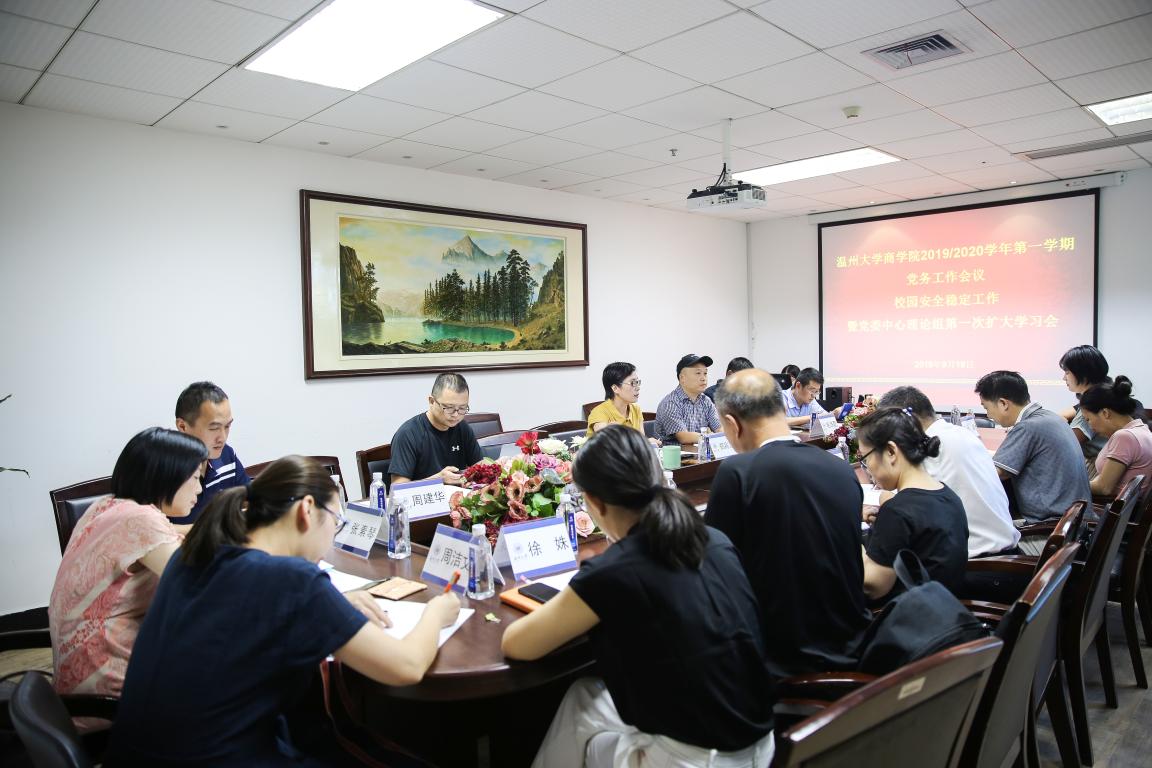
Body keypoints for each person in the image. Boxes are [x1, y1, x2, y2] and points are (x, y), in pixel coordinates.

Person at [105, 455, 461, 767]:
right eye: (336, 521)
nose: (333, 534)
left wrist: (331, 607)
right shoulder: (291, 579)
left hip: (133, 755)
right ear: (307, 510)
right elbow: (406, 666)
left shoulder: (194, 557)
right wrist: (436, 612)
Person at [502, 425, 776, 768]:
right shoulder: (714, 539)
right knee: (582, 695)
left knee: (582, 730)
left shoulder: (615, 571)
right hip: (759, 739)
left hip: (699, 758)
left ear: (594, 502)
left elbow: (516, 644)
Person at [705, 370, 871, 675]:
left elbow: (717, 571)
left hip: (782, 659)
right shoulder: (840, 469)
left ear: (732, 423)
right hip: (854, 646)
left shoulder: (738, 472)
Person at [49, 427, 207, 701]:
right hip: (113, 693)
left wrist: (212, 526)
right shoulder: (141, 520)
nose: (200, 488)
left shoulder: (107, 506)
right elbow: (199, 584)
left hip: (77, 679)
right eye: (195, 478)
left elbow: (169, 535)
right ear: (167, 475)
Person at [877, 386, 1019, 557]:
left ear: (907, 420)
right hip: (1005, 550)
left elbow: (908, 511)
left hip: (977, 559)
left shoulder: (930, 445)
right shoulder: (962, 433)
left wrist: (885, 499)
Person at [856, 407, 969, 601]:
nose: (868, 470)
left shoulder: (898, 511)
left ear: (891, 451)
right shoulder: (948, 496)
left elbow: (872, 585)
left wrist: (849, 535)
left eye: (866, 459)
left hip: (906, 614)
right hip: (946, 608)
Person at [976, 370, 1091, 555]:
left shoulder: (1028, 427)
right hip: (1073, 527)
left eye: (986, 408)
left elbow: (995, 474)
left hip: (1052, 534)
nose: (988, 415)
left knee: (973, 545)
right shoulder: (1050, 418)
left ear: (1004, 403)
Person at [175, 381, 249, 525]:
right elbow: (148, 526)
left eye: (227, 426)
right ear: (182, 426)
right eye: (214, 428)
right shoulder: (163, 468)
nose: (222, 438)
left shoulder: (227, 455)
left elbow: (250, 498)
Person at [390, 372, 483, 486]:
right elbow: (397, 487)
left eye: (462, 408)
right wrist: (438, 480)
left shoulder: (462, 428)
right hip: (424, 496)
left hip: (458, 495)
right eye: (449, 408)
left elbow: (479, 467)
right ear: (431, 401)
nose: (455, 415)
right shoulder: (408, 434)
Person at [1080, 376, 1152, 497]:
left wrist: (1068, 483)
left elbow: (1104, 488)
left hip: (1107, 506)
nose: (1090, 425)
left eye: (1088, 419)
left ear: (1105, 413)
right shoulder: (1142, 431)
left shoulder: (1124, 437)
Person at [1058, 345, 1112, 475]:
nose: (1064, 378)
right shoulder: (1103, 395)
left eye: (1067, 372)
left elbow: (1068, 443)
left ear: (1083, 373)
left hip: (1094, 469)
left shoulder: (1094, 404)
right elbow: (1063, 415)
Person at [654, 354, 721, 445]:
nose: (703, 378)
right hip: (674, 453)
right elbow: (684, 437)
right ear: (682, 378)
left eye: (705, 373)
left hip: (698, 452)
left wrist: (722, 435)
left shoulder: (706, 401)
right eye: (698, 373)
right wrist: (709, 436)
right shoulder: (670, 403)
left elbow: (719, 428)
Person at [586, 362, 645, 436]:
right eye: (632, 383)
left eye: (637, 382)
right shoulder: (598, 412)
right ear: (615, 388)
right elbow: (608, 439)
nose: (638, 388)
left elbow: (641, 439)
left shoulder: (636, 410)